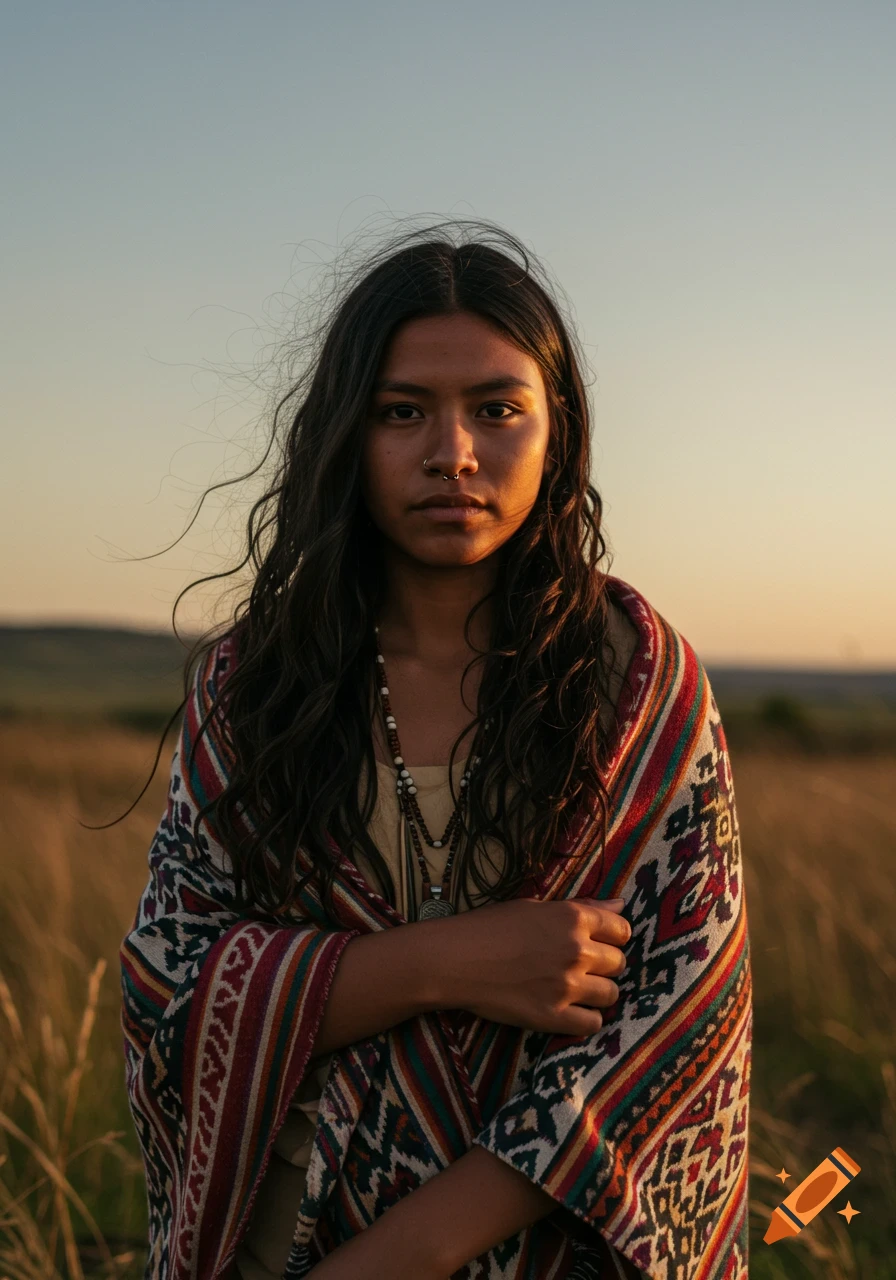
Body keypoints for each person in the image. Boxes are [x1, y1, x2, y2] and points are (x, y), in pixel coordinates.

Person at [119, 220, 752, 1280]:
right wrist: (450, 962)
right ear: (345, 433)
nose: (451, 453)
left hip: (539, 1250)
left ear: (558, 431)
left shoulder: (638, 684)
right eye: (400, 410)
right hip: (280, 1236)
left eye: (497, 409)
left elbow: (669, 1037)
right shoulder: (254, 684)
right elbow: (169, 993)